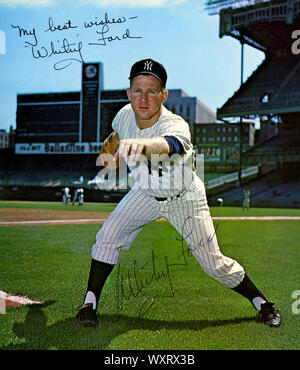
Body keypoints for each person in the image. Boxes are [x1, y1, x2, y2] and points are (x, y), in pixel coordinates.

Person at [76, 58, 281, 328]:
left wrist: (139, 144)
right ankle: (89, 303)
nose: (143, 98)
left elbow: (169, 145)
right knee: (107, 235)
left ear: (164, 95)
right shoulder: (124, 115)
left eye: (152, 91)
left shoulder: (176, 124)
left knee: (213, 264)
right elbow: (114, 139)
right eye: (137, 90)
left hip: (184, 198)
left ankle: (261, 302)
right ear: (128, 93)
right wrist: (109, 151)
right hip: (146, 194)